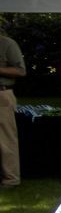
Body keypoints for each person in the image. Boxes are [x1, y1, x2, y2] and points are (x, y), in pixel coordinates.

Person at [0, 29, 26, 188]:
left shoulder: (7, 43)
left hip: (1, 94)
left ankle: (11, 179)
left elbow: (21, 71)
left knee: (5, 140)